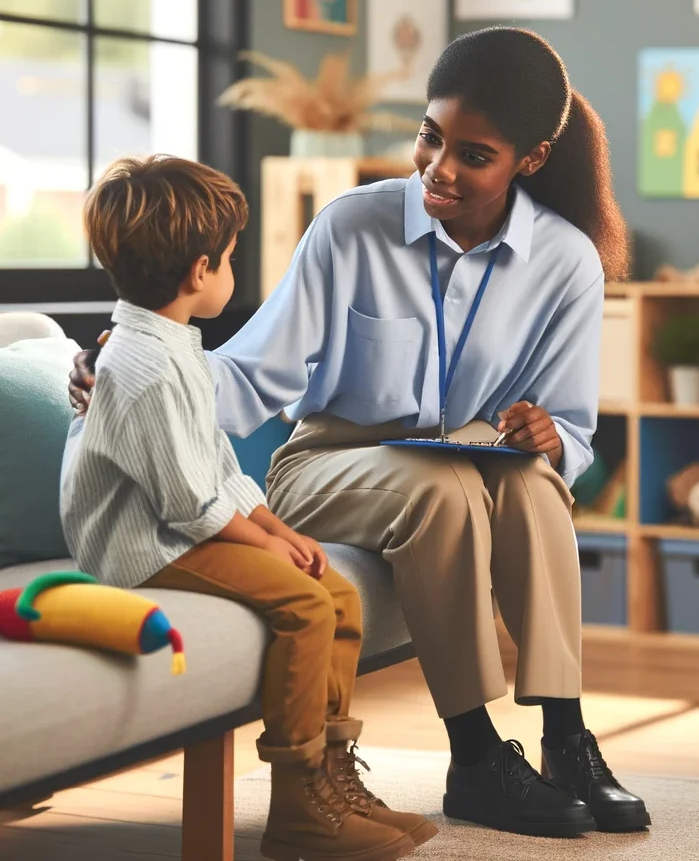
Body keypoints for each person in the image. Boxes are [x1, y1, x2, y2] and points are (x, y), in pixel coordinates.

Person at [72, 28, 648, 838]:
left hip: (474, 458)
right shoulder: (351, 225)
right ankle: (476, 754)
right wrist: (132, 367)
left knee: (531, 483)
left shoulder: (566, 261)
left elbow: (574, 428)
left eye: (473, 155)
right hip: (328, 464)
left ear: (532, 158)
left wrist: (546, 435)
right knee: (443, 489)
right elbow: (255, 373)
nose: (439, 168)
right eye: (430, 136)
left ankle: (566, 737)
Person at [61, 156, 433, 861]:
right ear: (200, 271)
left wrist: (273, 526)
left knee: (339, 595)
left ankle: (332, 779)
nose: (233, 269)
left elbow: (216, 465)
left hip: (182, 526)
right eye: (231, 258)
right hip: (144, 545)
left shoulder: (175, 347)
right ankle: (298, 800)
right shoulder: (142, 368)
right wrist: (263, 545)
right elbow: (187, 501)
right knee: (306, 606)